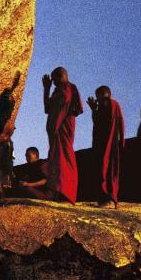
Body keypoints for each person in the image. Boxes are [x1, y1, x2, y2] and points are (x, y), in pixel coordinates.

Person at [43, 67, 83, 203]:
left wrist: (55, 126)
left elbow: (65, 104)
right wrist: (46, 89)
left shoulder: (67, 88)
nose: (53, 83)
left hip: (62, 128)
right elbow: (47, 109)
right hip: (56, 129)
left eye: (54, 81)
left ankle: (67, 193)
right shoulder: (56, 90)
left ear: (61, 76)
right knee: (56, 160)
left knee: (65, 159)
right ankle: (58, 192)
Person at [87, 86, 124, 208]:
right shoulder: (105, 105)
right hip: (104, 143)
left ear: (103, 94)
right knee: (103, 170)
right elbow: (98, 123)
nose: (96, 100)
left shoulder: (110, 103)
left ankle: (110, 200)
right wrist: (94, 110)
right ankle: (105, 199)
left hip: (108, 144)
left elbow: (107, 125)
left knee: (107, 170)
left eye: (97, 97)